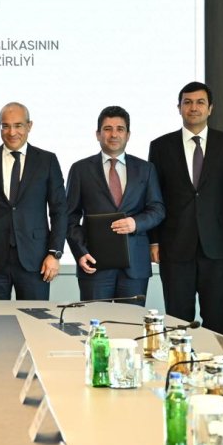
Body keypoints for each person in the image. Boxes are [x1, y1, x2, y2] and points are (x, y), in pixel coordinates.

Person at [148, 83, 223, 333]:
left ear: (210, 108)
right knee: (177, 320)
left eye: (200, 102)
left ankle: (214, 359)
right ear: (179, 108)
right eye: (187, 102)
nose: (193, 107)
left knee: (217, 320)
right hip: (175, 246)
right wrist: (154, 241)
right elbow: (153, 197)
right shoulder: (161, 146)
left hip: (218, 246)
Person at [0, 102, 67, 300]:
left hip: (36, 260)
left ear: (29, 126)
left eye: (18, 125)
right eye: (5, 126)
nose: (12, 132)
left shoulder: (47, 161)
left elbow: (59, 210)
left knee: (34, 317)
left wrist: (55, 253)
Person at [66, 106, 164, 303]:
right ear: (98, 134)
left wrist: (136, 223)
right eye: (107, 129)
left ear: (128, 135)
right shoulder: (80, 169)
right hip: (94, 264)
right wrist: (80, 252)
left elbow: (157, 209)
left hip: (135, 266)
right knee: (94, 321)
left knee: (131, 321)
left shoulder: (145, 169)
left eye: (120, 129)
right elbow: (69, 217)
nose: (114, 134)